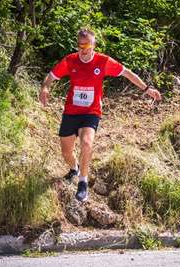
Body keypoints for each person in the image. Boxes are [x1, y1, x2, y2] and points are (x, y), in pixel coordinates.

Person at [39, 28, 162, 202]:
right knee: (66, 152)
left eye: (87, 45)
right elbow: (51, 76)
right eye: (80, 46)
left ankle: (83, 181)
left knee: (87, 143)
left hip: (91, 112)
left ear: (94, 45)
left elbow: (127, 73)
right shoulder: (70, 60)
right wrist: (45, 87)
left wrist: (147, 89)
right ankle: (74, 168)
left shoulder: (103, 62)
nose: (83, 50)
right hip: (71, 112)